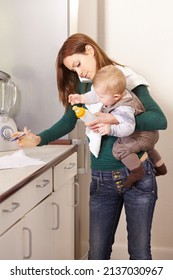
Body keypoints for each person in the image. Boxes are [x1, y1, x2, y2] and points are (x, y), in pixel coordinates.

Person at [13, 33, 167, 260]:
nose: (78, 72)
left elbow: (159, 120)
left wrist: (114, 120)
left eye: (78, 64)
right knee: (97, 255)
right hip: (102, 180)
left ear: (89, 50)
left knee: (140, 254)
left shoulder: (123, 79)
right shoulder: (83, 88)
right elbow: (67, 121)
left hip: (138, 176)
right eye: (73, 70)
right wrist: (38, 139)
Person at [69, 65, 167, 189]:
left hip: (143, 136)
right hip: (149, 135)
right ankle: (161, 167)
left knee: (119, 149)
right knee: (148, 148)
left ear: (116, 97)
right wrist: (80, 98)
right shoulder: (115, 93)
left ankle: (137, 171)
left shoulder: (124, 108)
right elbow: (95, 95)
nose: (98, 99)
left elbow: (128, 129)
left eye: (101, 98)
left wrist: (110, 129)